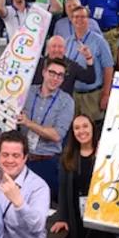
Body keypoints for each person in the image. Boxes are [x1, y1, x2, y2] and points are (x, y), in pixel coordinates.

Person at [19, 58, 75, 200]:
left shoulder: (66, 102)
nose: (55, 78)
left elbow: (57, 135)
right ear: (44, 72)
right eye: (52, 73)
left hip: (47, 164)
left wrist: (28, 123)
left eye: (60, 75)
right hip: (21, 160)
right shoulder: (26, 92)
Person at [68, 5, 114, 123]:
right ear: (71, 19)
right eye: (76, 17)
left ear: (88, 20)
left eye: (82, 17)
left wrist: (106, 94)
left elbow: (108, 68)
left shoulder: (99, 41)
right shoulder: (68, 41)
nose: (79, 20)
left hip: (93, 96)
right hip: (73, 95)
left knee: (93, 131)